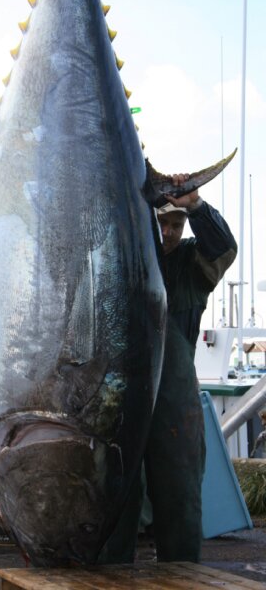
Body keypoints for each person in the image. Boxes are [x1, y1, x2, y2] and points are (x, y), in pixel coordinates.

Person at [99, 176, 237, 564]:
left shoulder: (193, 265)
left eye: (176, 225)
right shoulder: (124, 257)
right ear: (147, 221)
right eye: (162, 223)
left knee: (180, 494)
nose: (170, 232)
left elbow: (224, 247)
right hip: (121, 395)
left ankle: (182, 576)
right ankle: (109, 576)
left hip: (173, 404)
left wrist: (196, 206)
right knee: (117, 494)